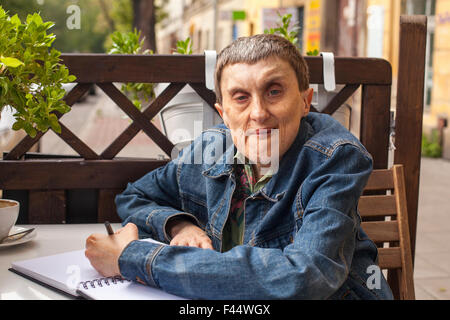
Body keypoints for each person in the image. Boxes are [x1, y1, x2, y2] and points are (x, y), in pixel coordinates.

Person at [84, 34, 393, 300]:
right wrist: (180, 224)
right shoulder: (211, 148)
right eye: (241, 97)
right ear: (224, 112)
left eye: (274, 91)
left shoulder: (336, 159)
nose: (258, 113)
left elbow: (304, 277)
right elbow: (134, 197)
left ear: (304, 101)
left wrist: (132, 258)